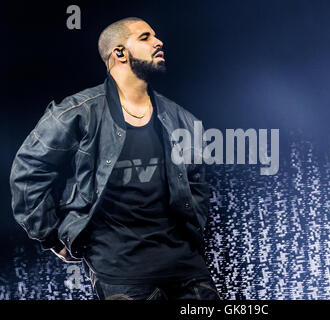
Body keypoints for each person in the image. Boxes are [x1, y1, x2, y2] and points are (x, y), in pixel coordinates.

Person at [10, 17, 221, 300]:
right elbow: (29, 170)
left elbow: (198, 182)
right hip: (120, 274)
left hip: (187, 270)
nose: (159, 42)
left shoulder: (180, 118)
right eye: (145, 37)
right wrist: (51, 236)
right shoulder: (78, 112)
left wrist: (195, 226)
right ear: (119, 53)